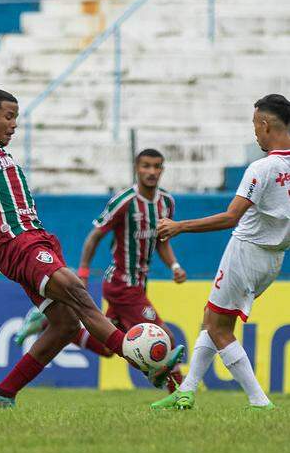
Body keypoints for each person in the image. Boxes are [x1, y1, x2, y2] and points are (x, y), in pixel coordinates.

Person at [0, 88, 184, 408]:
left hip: (33, 240)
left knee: (64, 326)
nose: (14, 125)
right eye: (8, 117)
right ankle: (143, 360)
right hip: (21, 243)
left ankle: (2, 394)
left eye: (16, 118)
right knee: (76, 290)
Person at [151, 94, 290, 411]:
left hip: (246, 252)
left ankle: (259, 401)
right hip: (275, 257)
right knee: (210, 319)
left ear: (265, 124)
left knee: (218, 328)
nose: (255, 132)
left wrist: (179, 226)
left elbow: (231, 217)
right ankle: (186, 391)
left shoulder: (263, 167)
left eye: (255, 125)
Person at [16, 149, 186, 392]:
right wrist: (83, 273)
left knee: (108, 347)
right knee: (165, 338)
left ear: (162, 170)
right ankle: (178, 397)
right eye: (146, 166)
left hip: (138, 283)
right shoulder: (124, 201)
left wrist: (175, 266)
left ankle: (60, 329)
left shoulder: (166, 202)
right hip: (121, 283)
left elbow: (161, 240)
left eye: (156, 166)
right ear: (137, 168)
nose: (151, 172)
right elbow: (95, 236)